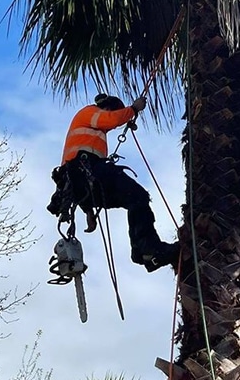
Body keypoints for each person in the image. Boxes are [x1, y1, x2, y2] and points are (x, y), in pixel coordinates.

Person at [52, 92, 178, 273]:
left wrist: (88, 209)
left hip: (82, 181)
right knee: (138, 196)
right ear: (108, 107)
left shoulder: (91, 132)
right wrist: (133, 109)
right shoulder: (89, 112)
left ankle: (146, 254)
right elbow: (111, 120)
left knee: (135, 199)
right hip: (86, 169)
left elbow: (78, 186)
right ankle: (148, 248)